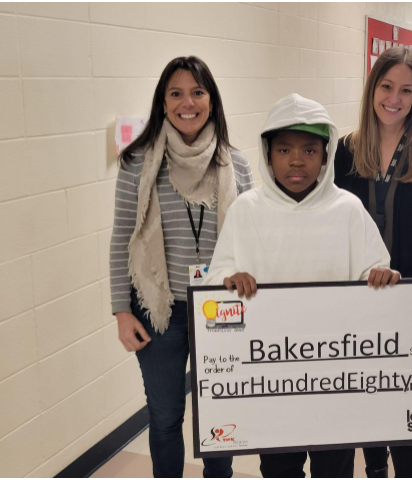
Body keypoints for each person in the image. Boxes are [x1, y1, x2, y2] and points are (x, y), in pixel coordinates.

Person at [204, 93, 400, 478]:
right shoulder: (246, 211)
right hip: (272, 385)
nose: (296, 160)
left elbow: (375, 271)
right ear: (268, 154)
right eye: (284, 150)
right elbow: (215, 288)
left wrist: (381, 277)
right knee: (279, 469)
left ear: (325, 156)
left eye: (309, 150)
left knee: (336, 468)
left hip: (335, 384)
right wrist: (228, 282)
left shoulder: (347, 210)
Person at [110, 56, 252, 478]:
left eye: (197, 92)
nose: (186, 102)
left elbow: (250, 241)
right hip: (159, 311)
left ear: (212, 100)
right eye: (176, 93)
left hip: (221, 310)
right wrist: (121, 310)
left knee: (219, 417)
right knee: (166, 416)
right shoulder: (137, 162)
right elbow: (122, 238)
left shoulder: (236, 164)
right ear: (163, 102)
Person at [332, 45, 412, 479]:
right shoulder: (346, 151)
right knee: (369, 394)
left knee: (404, 399)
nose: (395, 98)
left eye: (407, 90)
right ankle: (374, 470)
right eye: (387, 86)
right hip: (360, 299)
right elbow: (337, 228)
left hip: (410, 299)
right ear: (372, 89)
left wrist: (405, 291)